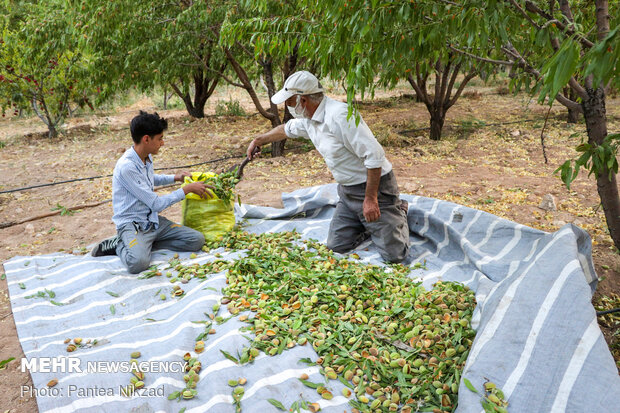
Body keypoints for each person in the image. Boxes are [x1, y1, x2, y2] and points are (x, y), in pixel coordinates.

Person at [247, 71, 410, 263]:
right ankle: (367, 222)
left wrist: (371, 199)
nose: (288, 107)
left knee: (395, 256)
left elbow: (374, 156)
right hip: (347, 192)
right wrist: (259, 140)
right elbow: (287, 129)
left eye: (290, 102)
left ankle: (397, 210)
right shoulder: (310, 119)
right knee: (336, 246)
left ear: (304, 100)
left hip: (374, 188)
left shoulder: (339, 116)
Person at [91, 111, 213, 273]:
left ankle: (142, 244)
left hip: (152, 222)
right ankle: (120, 244)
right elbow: (156, 204)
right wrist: (186, 190)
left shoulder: (146, 157)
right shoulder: (126, 167)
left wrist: (176, 178)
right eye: (160, 138)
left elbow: (150, 178)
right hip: (133, 224)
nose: (162, 143)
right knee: (138, 264)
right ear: (146, 139)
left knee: (195, 240)